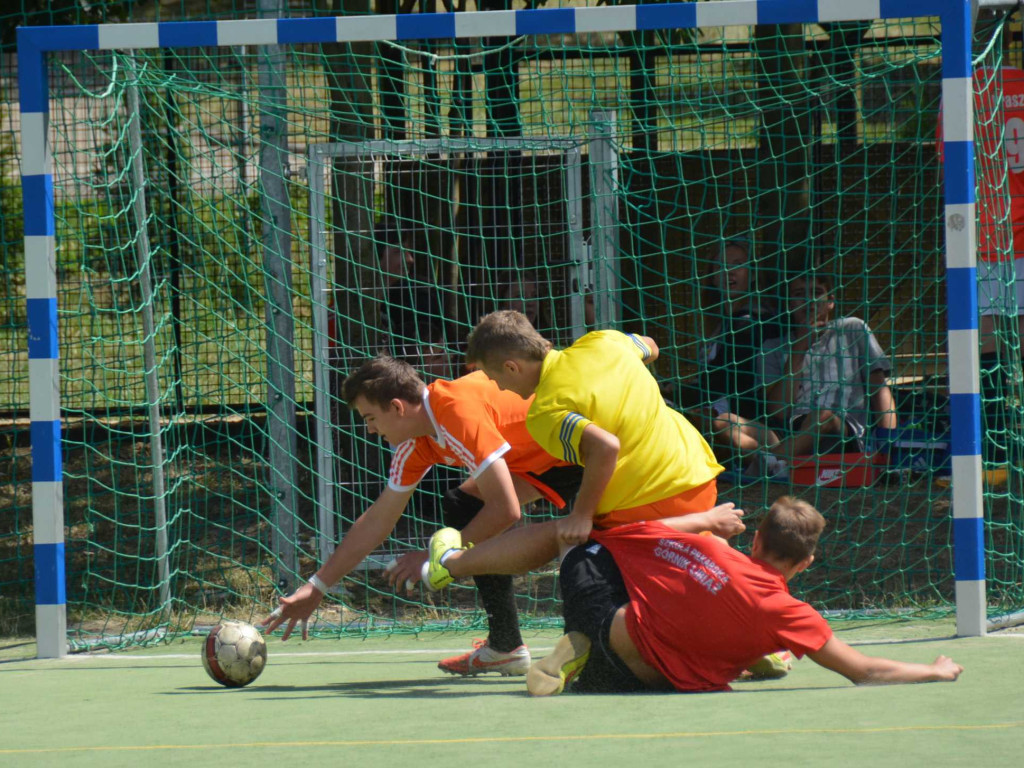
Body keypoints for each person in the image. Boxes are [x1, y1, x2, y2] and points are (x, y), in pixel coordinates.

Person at [425, 497, 963, 695]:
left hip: (609, 637)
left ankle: (453, 567)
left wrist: (703, 522)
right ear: (806, 563)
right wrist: (934, 670)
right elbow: (863, 671)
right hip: (643, 683)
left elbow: (620, 532)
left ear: (753, 538)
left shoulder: (709, 548)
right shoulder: (790, 613)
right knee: (734, 631)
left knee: (578, 543)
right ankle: (751, 656)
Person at [261, 355, 583, 677]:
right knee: (464, 501)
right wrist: (318, 586)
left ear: (398, 408)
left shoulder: (456, 412)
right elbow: (377, 521)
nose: (370, 430)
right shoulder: (417, 443)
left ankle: (594, 636)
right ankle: (505, 646)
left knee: (596, 536)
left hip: (588, 440)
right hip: (550, 455)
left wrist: (439, 558)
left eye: (371, 418)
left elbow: (506, 510)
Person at [463, 310, 724, 547]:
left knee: (573, 553)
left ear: (512, 367)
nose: (498, 387)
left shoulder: (544, 412)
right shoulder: (603, 342)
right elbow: (652, 347)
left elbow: (605, 447)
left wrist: (581, 515)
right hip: (699, 476)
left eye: (494, 378)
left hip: (645, 504)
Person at [938, 65, 1024, 472]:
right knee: (994, 344)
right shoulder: (1014, 79)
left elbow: (947, 163)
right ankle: (997, 453)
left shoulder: (958, 87)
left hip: (984, 236)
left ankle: (995, 454)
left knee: (986, 343)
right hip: (996, 238)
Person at [761, 273, 897, 462]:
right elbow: (778, 411)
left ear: (830, 301)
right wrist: (800, 347)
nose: (809, 301)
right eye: (800, 294)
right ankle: (777, 459)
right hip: (793, 430)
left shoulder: (853, 328)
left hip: (843, 430)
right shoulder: (772, 346)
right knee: (727, 423)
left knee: (821, 415)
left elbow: (880, 390)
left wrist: (888, 445)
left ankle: (771, 463)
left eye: (816, 293)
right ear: (789, 303)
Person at [697, 239, 784, 475]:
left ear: (753, 274)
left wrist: (674, 391)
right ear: (712, 277)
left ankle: (774, 463)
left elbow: (722, 382)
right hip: (727, 422)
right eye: (720, 266)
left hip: (762, 428)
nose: (729, 271)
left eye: (737, 264)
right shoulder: (717, 326)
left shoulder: (755, 321)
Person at [374, 219, 450, 378]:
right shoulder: (348, 305)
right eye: (398, 252)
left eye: (408, 251)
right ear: (375, 257)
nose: (410, 259)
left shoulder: (417, 296)